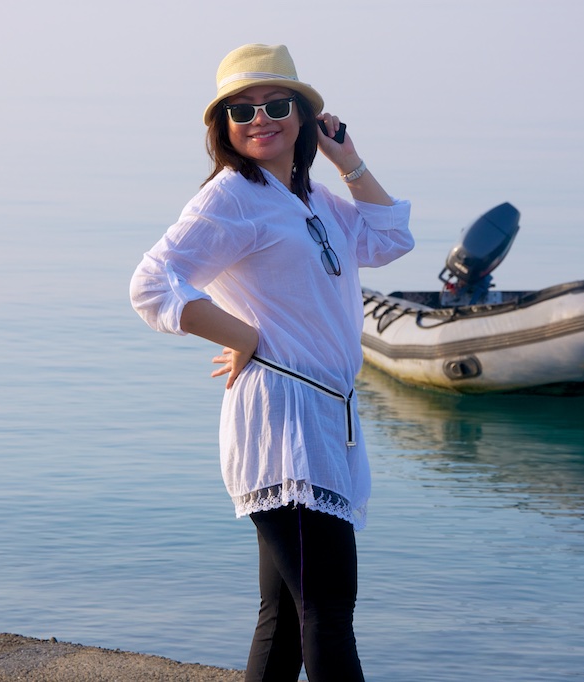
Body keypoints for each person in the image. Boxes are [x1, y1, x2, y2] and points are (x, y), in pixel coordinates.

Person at [129, 43, 413, 681]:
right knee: (328, 609)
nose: (260, 119)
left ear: (304, 116)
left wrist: (348, 159)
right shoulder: (232, 196)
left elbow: (391, 238)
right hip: (283, 422)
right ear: (223, 125)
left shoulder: (314, 198)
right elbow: (151, 284)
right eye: (242, 109)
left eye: (277, 104)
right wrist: (242, 334)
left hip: (324, 417)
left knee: (286, 616)